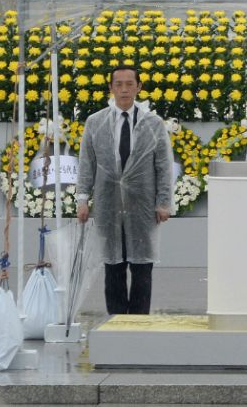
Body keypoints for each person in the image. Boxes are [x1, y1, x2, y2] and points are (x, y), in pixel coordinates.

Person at [76, 65, 173, 315]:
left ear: (139, 87)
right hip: (108, 205)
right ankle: (116, 323)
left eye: (130, 84)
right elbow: (87, 163)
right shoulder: (95, 123)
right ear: (110, 88)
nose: (124, 90)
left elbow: (163, 165)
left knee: (142, 269)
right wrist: (83, 199)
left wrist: (163, 202)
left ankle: (138, 325)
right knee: (113, 267)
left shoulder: (153, 124)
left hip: (141, 206)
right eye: (118, 84)